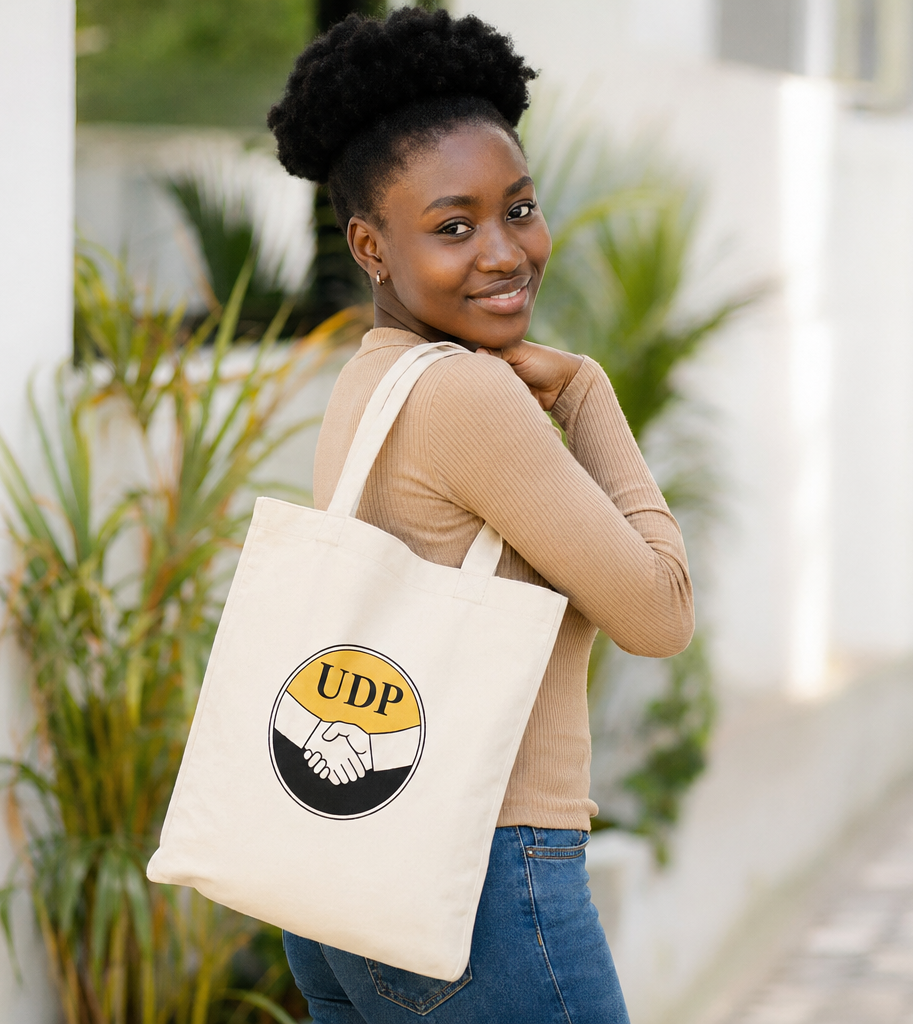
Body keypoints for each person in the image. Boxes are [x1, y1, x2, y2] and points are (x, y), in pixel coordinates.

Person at [266, 9, 695, 1022]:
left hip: (340, 867)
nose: (506, 252)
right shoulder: (468, 395)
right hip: (483, 874)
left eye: (521, 208)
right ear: (371, 244)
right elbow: (660, 611)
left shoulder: (368, 384)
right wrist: (586, 392)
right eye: (454, 226)